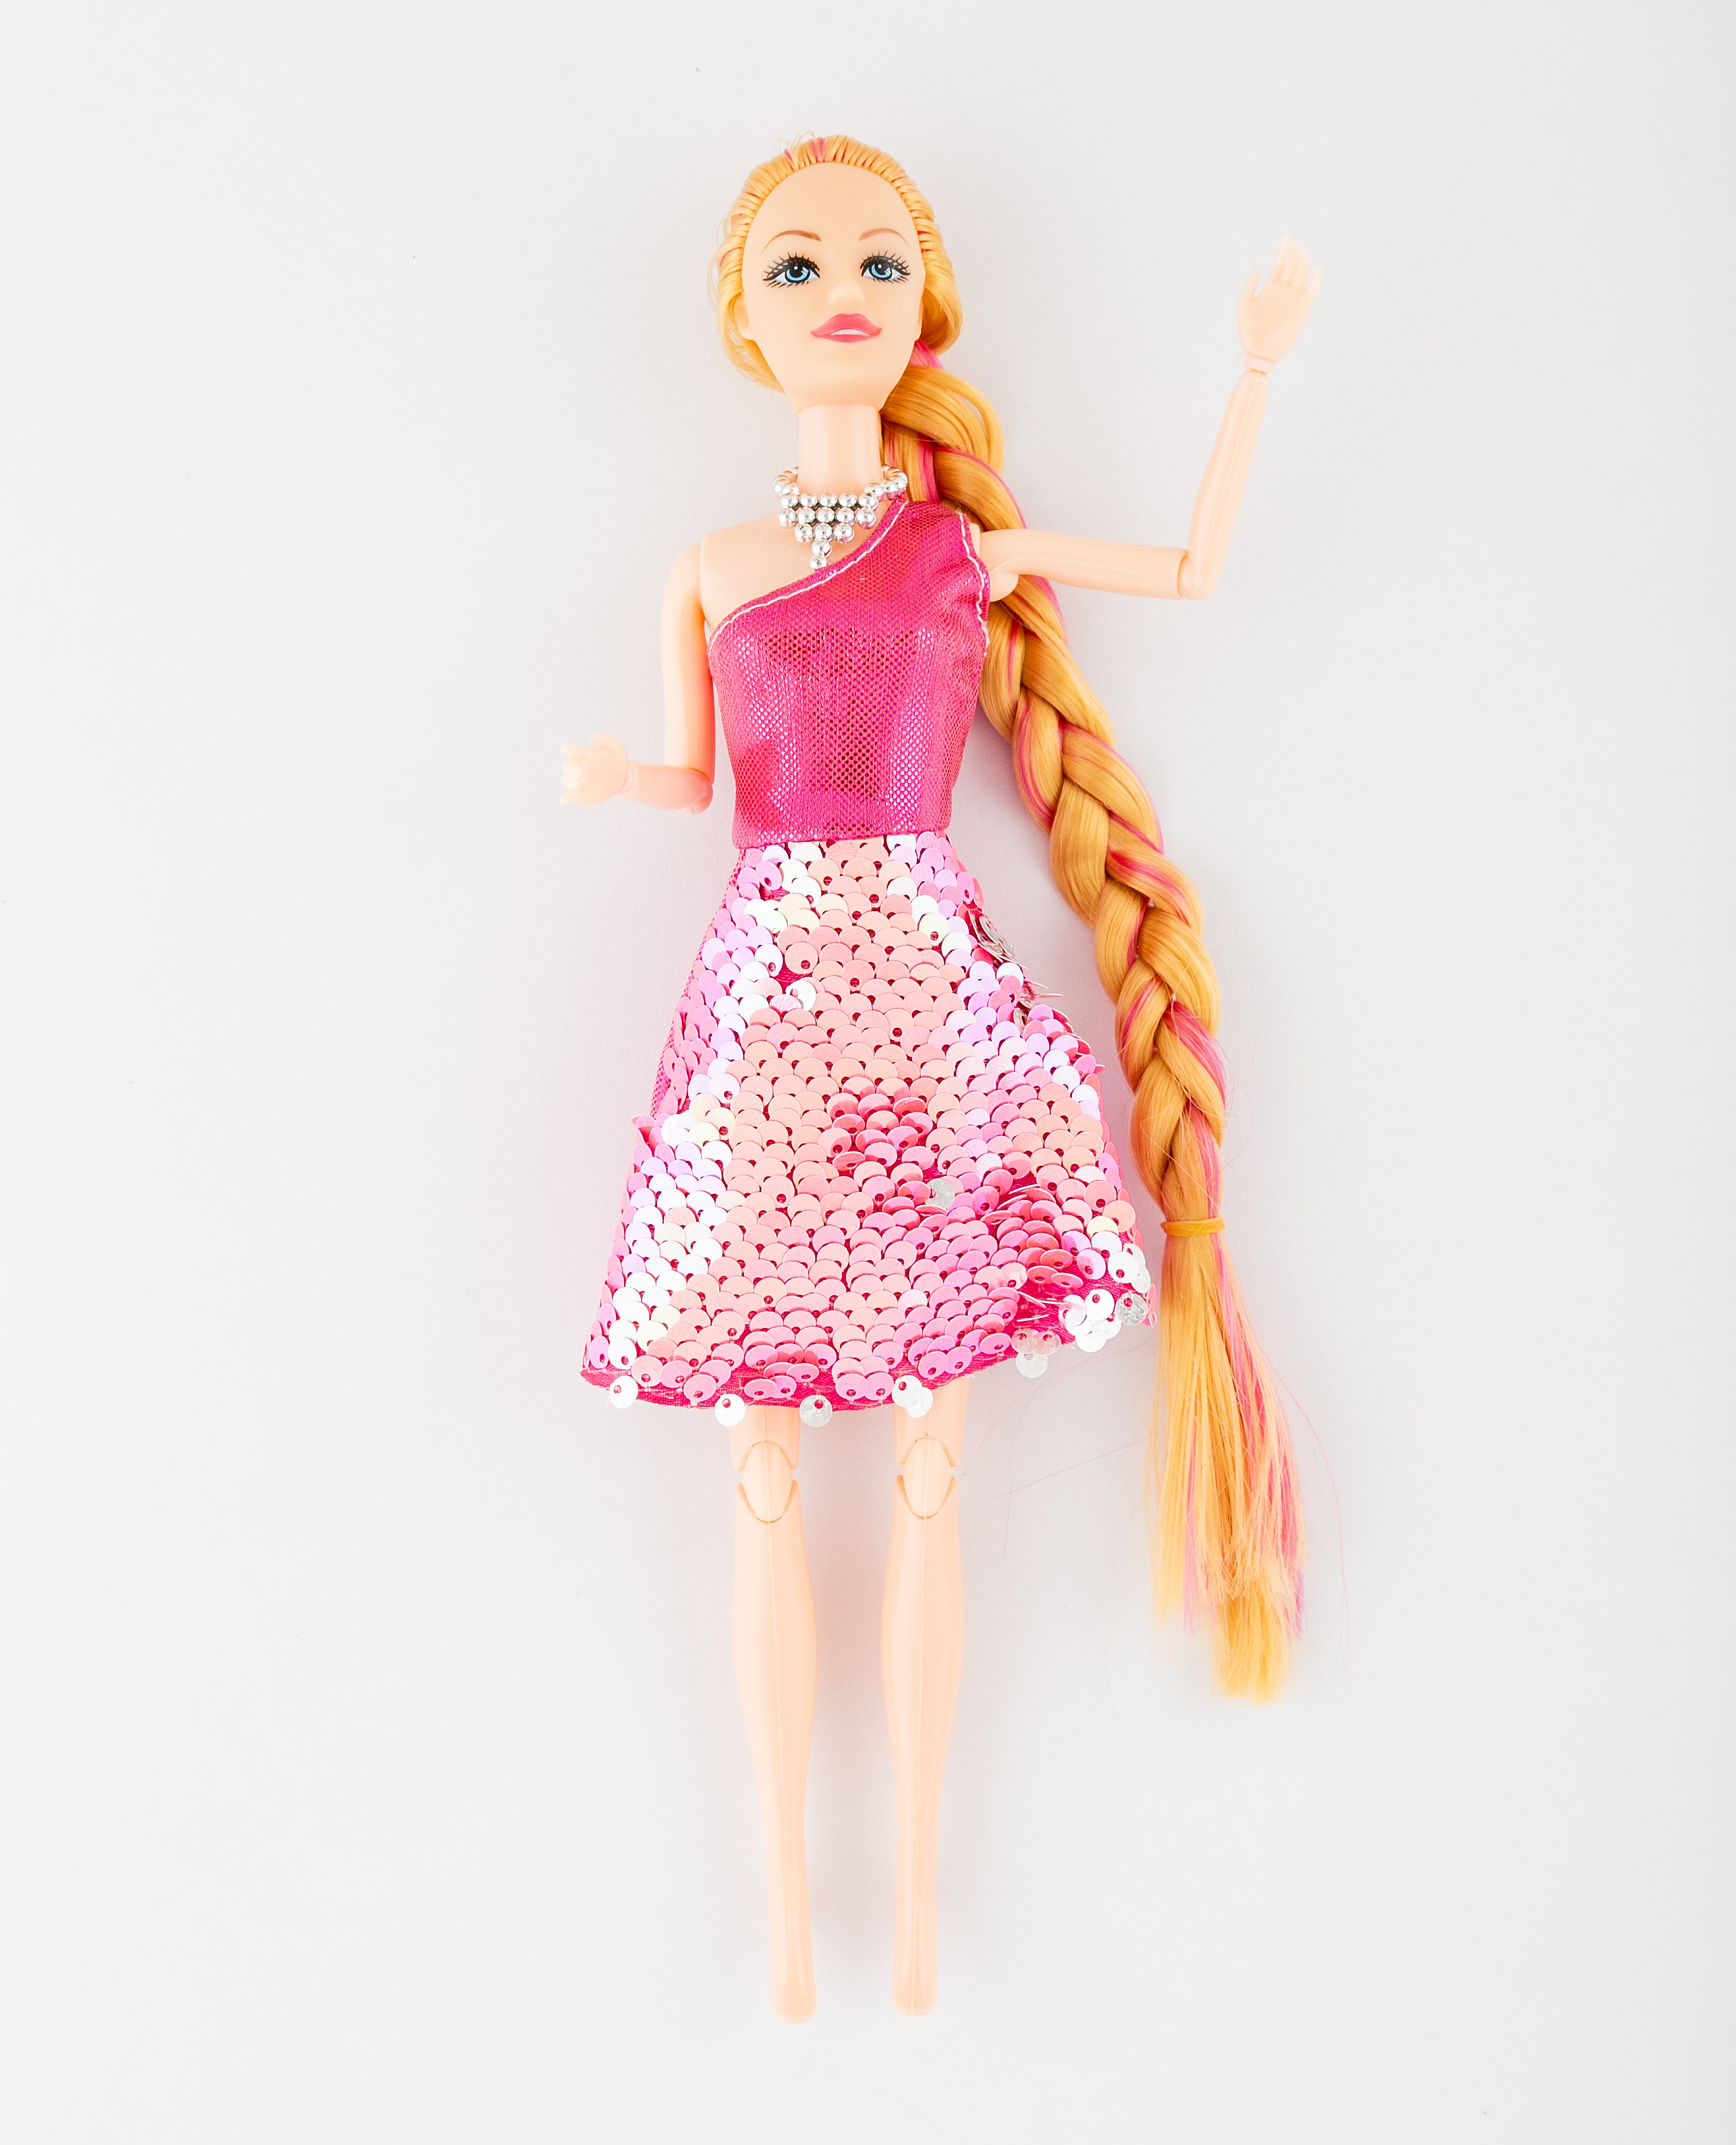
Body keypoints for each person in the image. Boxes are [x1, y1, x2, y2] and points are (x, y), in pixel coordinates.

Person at [559, 135, 1317, 2020]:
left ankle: (904, 1903)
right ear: (744, 316)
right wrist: (621, 778)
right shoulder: (712, 567)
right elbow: (693, 776)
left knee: (929, 1465)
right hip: (767, 999)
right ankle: (787, 1909)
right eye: (801, 268)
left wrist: (1253, 373)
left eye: (879, 266)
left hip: (921, 1001)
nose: (843, 297)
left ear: (927, 309)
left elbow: (1191, 569)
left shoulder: (956, 553)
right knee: (760, 1464)